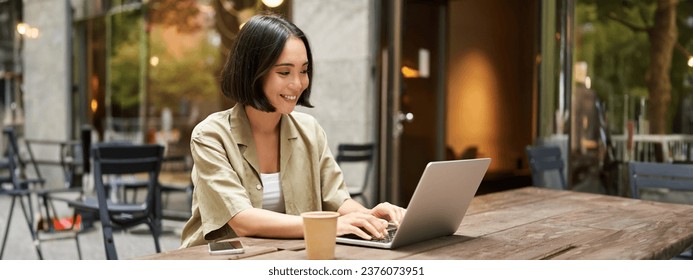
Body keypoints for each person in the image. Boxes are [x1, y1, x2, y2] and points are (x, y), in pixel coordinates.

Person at [180, 14, 405, 248]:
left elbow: (337, 199)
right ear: (253, 72)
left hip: (285, 258)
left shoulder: (310, 130)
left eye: (304, 70)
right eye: (284, 72)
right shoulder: (210, 135)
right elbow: (242, 220)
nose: (298, 84)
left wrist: (370, 218)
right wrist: (325, 227)